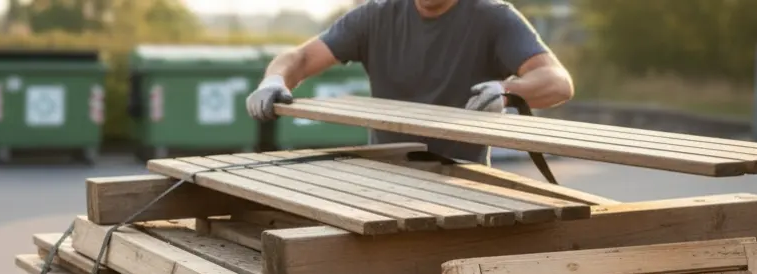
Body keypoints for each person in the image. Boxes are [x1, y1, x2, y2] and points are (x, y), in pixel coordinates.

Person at [246, 0, 574, 163]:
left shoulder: (493, 16)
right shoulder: (376, 15)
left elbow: (557, 81)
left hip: (464, 181)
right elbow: (302, 57)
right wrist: (274, 79)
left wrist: (506, 92)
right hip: (384, 177)